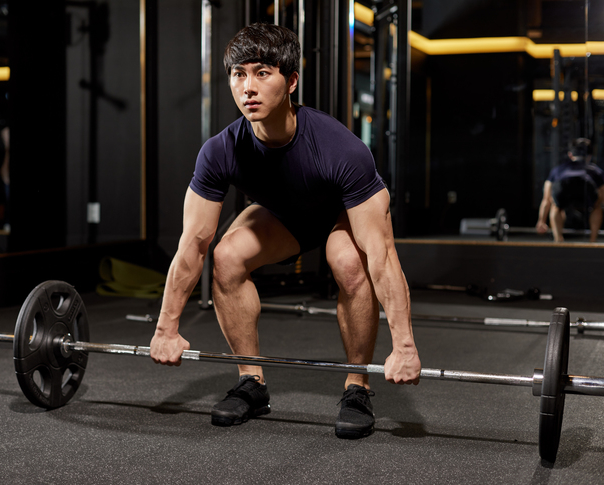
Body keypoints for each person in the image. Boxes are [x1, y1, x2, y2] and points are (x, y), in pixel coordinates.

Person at [149, 23, 421, 439]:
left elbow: (382, 256)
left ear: (291, 81)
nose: (248, 87)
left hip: (339, 216)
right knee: (225, 255)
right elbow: (193, 244)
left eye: (262, 73)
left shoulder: (340, 149)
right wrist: (166, 328)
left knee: (350, 262)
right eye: (239, 74)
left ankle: (357, 387)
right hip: (285, 216)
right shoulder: (220, 150)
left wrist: (403, 347)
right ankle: (251, 383)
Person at [536, 138, 604, 242]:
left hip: (563, 188)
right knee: (597, 206)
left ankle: (558, 239)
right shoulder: (595, 171)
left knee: (556, 206)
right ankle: (592, 241)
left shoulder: (558, 170)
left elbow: (546, 199)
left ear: (570, 155)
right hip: (585, 190)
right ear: (589, 156)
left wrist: (541, 221)